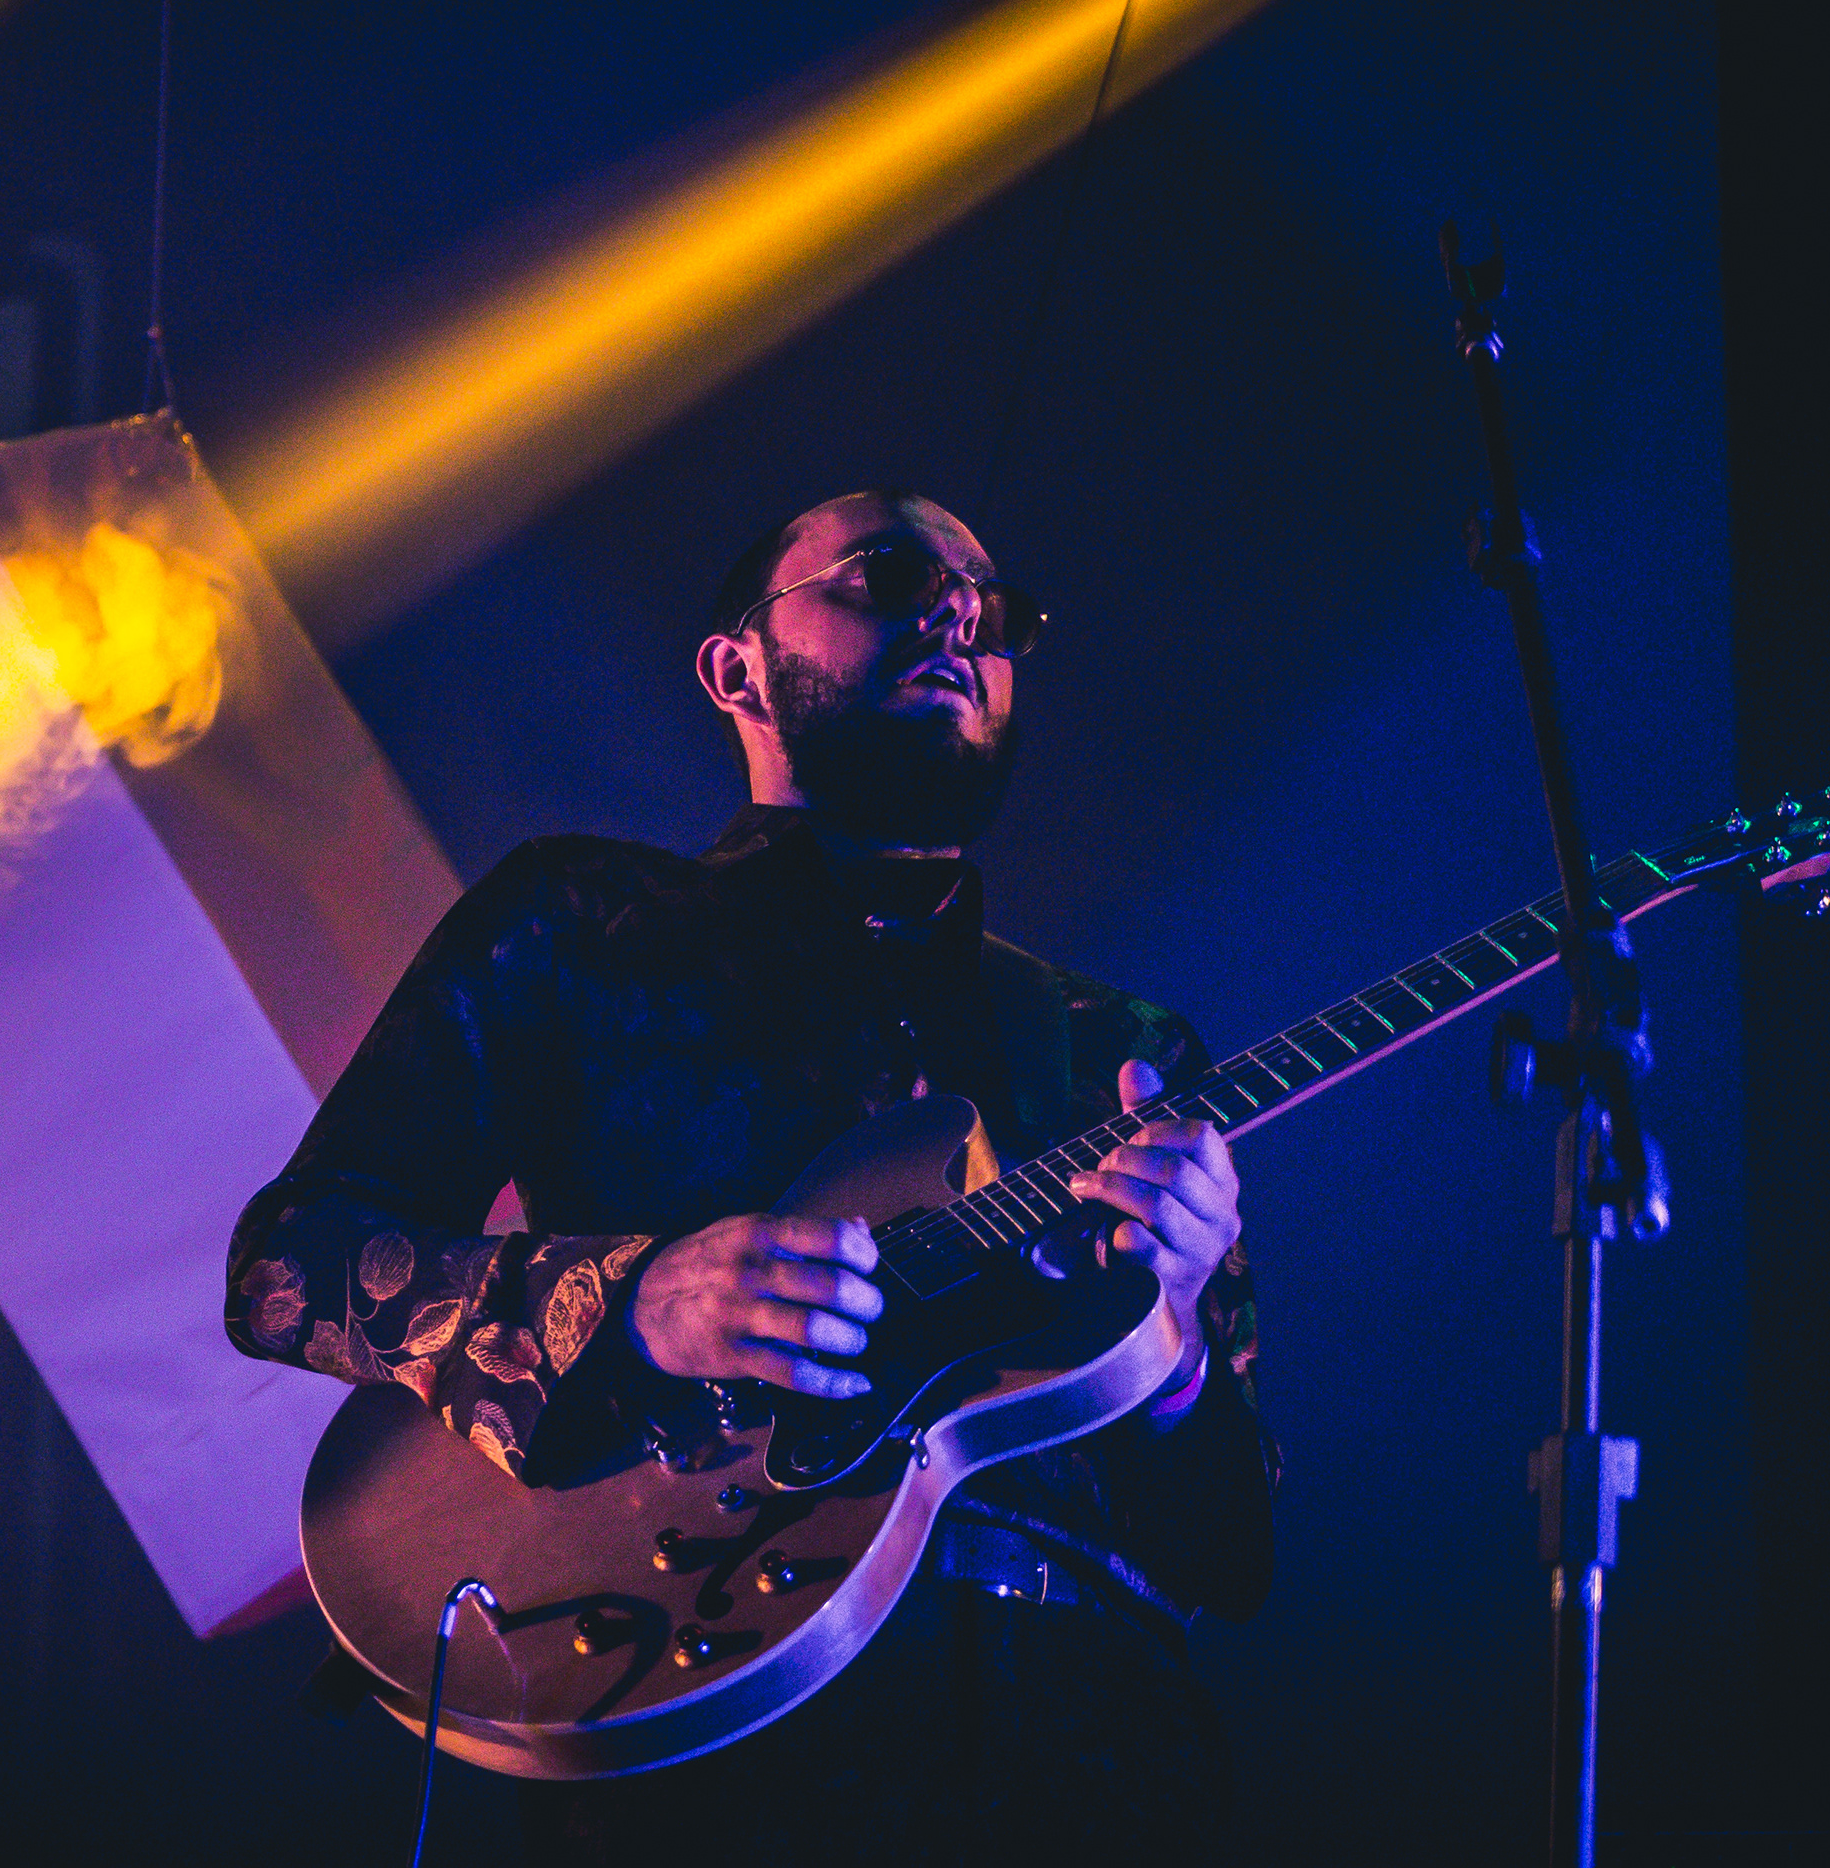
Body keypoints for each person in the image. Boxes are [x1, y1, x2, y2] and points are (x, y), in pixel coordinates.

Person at [225, 489, 1273, 1864]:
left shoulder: (1120, 1050)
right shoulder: (581, 925)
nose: (961, 617)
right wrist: (629, 1301)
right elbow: (289, 1267)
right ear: (737, 668)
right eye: (887, 575)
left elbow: (1233, 1557)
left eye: (995, 608)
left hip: (1091, 1761)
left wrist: (1177, 1348)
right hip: (712, 1749)